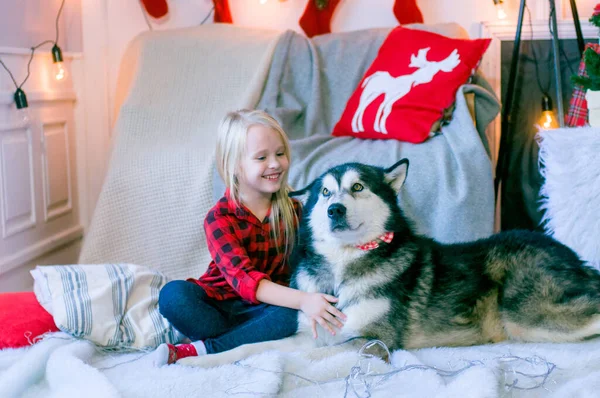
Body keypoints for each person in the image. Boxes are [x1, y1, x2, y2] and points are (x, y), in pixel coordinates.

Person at [150, 109, 346, 365]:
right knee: (173, 295)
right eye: (261, 157)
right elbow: (245, 281)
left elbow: (316, 257)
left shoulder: (295, 210)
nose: (275, 164)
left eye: (280, 153)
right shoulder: (219, 218)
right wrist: (305, 300)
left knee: (289, 315)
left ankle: (207, 350)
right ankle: (240, 340)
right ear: (235, 166)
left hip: (271, 306)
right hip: (220, 304)